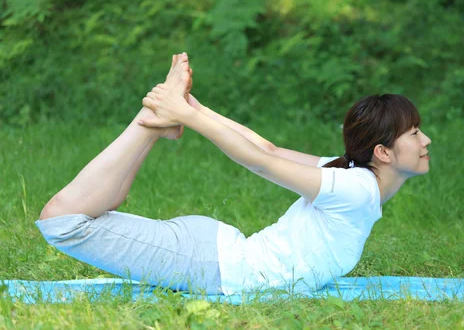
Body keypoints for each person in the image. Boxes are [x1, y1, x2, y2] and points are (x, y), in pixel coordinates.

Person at [36, 53, 432, 295]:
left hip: (214, 257)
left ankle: (158, 119)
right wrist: (190, 113)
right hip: (212, 265)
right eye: (414, 134)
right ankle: (151, 120)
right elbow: (264, 161)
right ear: (382, 152)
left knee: (92, 212)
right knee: (64, 222)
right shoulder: (355, 188)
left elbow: (268, 149)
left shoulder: (351, 177)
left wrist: (192, 108)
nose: (426, 140)